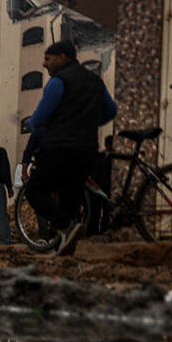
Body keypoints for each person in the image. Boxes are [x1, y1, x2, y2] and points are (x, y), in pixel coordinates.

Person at [23, 40, 118, 256]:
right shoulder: (95, 81)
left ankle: (66, 227)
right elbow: (111, 110)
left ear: (62, 57)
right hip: (87, 149)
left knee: (34, 190)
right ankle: (65, 249)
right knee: (70, 197)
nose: (44, 64)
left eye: (48, 59)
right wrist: (90, 123)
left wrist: (33, 123)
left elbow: (40, 116)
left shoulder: (59, 81)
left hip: (60, 146)